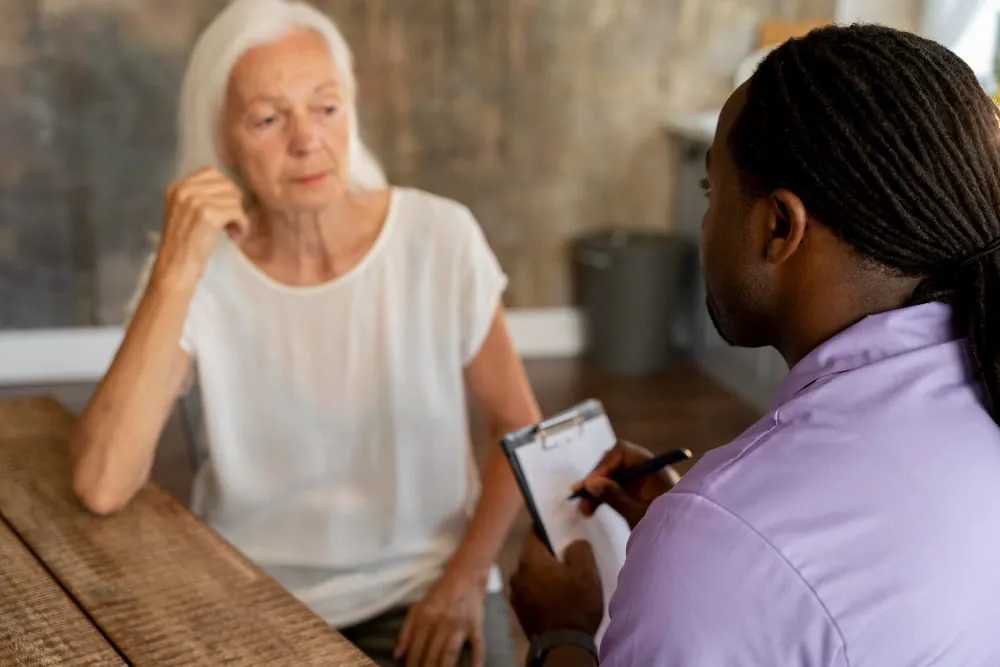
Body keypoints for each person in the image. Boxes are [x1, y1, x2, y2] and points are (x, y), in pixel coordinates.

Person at [508, 23, 1000, 666]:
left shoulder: (726, 546)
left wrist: (563, 632)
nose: (705, 220)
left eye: (712, 192)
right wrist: (704, 531)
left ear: (778, 226)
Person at [68, 1, 541, 666]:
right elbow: (102, 482)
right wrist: (175, 267)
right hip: (247, 598)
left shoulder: (439, 237)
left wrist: (465, 577)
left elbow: (518, 425)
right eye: (268, 119)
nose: (306, 140)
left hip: (421, 591)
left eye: (326, 107)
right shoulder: (195, 272)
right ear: (222, 139)